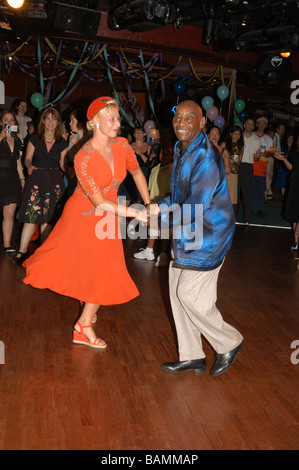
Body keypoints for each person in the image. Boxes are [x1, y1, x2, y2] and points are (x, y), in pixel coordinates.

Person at [22, 97, 151, 349]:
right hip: (84, 216)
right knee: (101, 269)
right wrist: (136, 213)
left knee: (102, 267)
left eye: (118, 118)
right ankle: (83, 326)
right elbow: (99, 201)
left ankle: (86, 314)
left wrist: (147, 203)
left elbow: (136, 173)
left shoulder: (123, 145)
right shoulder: (82, 156)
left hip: (110, 215)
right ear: (94, 122)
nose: (117, 123)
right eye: (111, 118)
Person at [150, 100, 243, 376]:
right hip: (187, 230)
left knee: (189, 295)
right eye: (178, 117)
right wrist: (162, 204)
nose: (181, 123)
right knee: (175, 290)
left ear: (203, 123)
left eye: (189, 119)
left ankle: (230, 341)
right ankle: (192, 355)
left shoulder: (207, 157)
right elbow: (181, 195)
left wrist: (159, 219)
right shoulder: (181, 148)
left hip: (208, 235)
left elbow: (195, 207)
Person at [12, 108, 68, 264]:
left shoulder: (62, 142)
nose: (50, 122)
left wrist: (71, 172)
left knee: (48, 220)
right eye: (47, 118)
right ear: (43, 121)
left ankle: (45, 253)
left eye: (54, 119)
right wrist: (29, 166)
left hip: (54, 182)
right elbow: (27, 159)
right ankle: (21, 252)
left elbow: (63, 164)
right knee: (31, 217)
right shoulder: (34, 139)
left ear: (58, 123)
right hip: (36, 180)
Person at [134, 126, 174, 267]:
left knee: (164, 227)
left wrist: (164, 206)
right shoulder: (157, 167)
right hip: (155, 201)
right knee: (154, 225)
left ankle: (163, 254)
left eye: (163, 152)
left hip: (165, 203)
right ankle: (149, 251)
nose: (161, 154)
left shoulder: (170, 169)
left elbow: (170, 190)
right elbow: (151, 187)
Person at [0, 109, 25, 254]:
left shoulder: (17, 141)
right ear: (1, 122)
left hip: (12, 180)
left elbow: (18, 163)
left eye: (11, 120)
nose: (9, 122)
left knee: (9, 215)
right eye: (6, 120)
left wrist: (22, 180)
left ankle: (7, 244)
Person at [276, 134, 299, 251]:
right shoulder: (296, 154)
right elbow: (292, 168)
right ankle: (296, 241)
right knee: (294, 213)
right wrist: (284, 159)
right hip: (295, 185)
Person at [237, 118, 261, 225]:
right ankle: (232, 216)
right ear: (244, 125)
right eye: (248, 124)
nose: (250, 126)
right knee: (234, 193)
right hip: (236, 166)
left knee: (247, 194)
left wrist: (257, 157)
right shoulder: (238, 136)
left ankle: (247, 219)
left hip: (248, 167)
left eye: (252, 124)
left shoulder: (256, 141)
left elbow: (256, 159)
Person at [220, 125, 244, 214]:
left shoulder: (241, 146)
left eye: (238, 134)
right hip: (224, 173)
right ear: (230, 134)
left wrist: (237, 161)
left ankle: (231, 216)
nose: (237, 136)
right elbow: (217, 158)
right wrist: (228, 160)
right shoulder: (224, 144)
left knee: (233, 197)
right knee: (223, 195)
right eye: (235, 134)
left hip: (234, 173)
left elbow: (240, 162)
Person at [253, 116, 273, 202]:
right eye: (260, 123)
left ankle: (259, 209)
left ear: (266, 126)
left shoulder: (268, 139)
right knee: (252, 189)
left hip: (263, 166)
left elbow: (271, 153)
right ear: (257, 124)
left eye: (263, 124)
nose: (261, 125)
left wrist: (266, 153)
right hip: (252, 164)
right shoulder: (251, 135)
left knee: (261, 188)